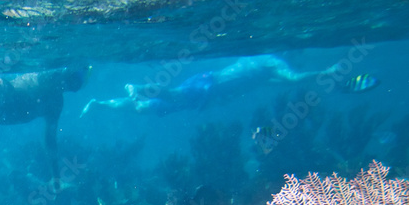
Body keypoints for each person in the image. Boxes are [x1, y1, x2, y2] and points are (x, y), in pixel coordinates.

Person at [80, 54, 346, 117]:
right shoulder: (273, 61)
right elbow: (292, 78)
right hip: (208, 86)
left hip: (207, 87)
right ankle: (136, 87)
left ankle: (99, 103)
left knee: (146, 109)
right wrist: (327, 71)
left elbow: (279, 83)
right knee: (172, 96)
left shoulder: (267, 68)